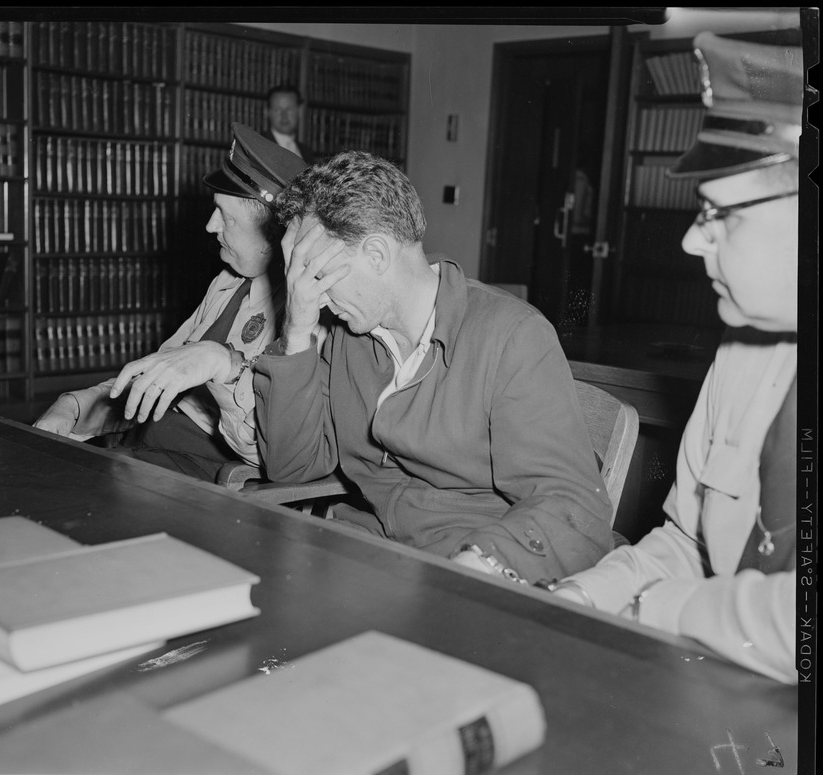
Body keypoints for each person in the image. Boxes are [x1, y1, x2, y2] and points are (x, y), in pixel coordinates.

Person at [550, 31, 804, 684]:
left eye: (721, 214)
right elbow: (687, 541)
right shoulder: (746, 350)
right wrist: (587, 596)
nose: (692, 239)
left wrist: (656, 608)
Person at [252, 149, 614, 584]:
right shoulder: (348, 337)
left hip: (468, 568)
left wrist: (479, 564)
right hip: (363, 558)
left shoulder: (511, 336)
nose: (310, 295)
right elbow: (292, 468)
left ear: (377, 254)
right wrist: (296, 331)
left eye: (312, 274)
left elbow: (574, 507)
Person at [33, 124, 309, 482]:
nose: (210, 226)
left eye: (225, 216)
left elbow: (272, 449)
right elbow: (153, 380)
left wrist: (224, 366)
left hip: (202, 477)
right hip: (145, 447)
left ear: (274, 235)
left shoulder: (303, 317)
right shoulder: (227, 284)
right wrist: (75, 406)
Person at [263, 84, 316, 165]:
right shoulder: (258, 147)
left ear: (300, 111)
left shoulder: (307, 153)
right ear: (267, 112)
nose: (284, 116)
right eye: (277, 110)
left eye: (289, 109)